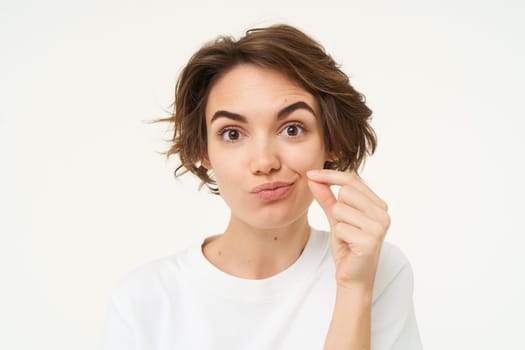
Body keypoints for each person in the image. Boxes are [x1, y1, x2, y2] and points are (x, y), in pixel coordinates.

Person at [102, 24, 422, 350]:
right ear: (203, 151)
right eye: (232, 134)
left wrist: (354, 289)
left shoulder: (377, 269)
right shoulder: (146, 299)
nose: (264, 161)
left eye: (293, 129)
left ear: (331, 141)